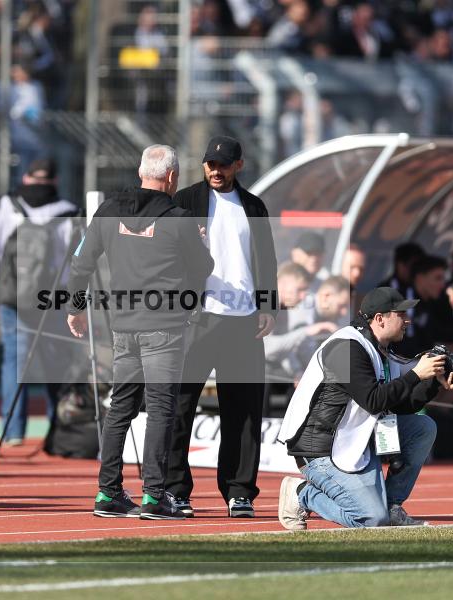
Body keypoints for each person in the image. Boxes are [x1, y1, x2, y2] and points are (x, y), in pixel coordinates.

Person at [66, 144, 213, 520]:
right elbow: (203, 268)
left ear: (140, 173)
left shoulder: (109, 209)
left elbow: (81, 263)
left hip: (124, 326)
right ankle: (154, 496)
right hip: (164, 326)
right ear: (172, 178)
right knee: (161, 409)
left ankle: (107, 492)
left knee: (121, 408)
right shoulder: (178, 219)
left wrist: (75, 308)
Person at [277, 287, 453, 530]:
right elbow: (373, 400)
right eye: (401, 314)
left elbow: (398, 405)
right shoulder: (346, 347)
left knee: (422, 427)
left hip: (354, 439)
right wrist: (417, 374)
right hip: (320, 449)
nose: (408, 320)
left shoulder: (381, 348)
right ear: (380, 319)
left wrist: (433, 384)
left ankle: (392, 506)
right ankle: (301, 493)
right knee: (371, 520)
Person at [166, 135, 278, 518]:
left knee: (244, 411)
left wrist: (268, 306)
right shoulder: (184, 202)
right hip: (196, 318)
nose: (216, 170)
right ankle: (175, 489)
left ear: (239, 165)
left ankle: (239, 491)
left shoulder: (254, 207)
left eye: (224, 164)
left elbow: (266, 258)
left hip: (244, 321)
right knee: (180, 406)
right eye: (210, 164)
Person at [0, 158, 78, 445]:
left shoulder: (8, 204)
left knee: (14, 360)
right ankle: (57, 427)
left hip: (13, 295)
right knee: (56, 362)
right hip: (52, 297)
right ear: (55, 180)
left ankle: (13, 431)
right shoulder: (69, 211)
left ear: (26, 177)